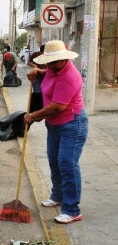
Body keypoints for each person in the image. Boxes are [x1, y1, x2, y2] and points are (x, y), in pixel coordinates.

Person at [24, 40, 88, 224]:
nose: (50, 66)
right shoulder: (53, 68)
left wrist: (33, 116)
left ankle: (72, 209)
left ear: (64, 59)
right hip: (54, 125)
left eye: (54, 62)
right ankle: (58, 196)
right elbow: (48, 73)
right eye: (48, 62)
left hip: (72, 124)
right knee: (54, 161)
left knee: (67, 164)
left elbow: (57, 107)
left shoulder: (70, 76)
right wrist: (38, 71)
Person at [27, 44, 46, 113]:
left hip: (46, 77)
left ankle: (43, 108)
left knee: (44, 93)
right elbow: (28, 62)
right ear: (40, 51)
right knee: (37, 93)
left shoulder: (49, 56)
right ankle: (37, 110)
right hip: (36, 77)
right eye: (42, 53)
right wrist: (34, 65)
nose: (43, 55)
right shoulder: (35, 54)